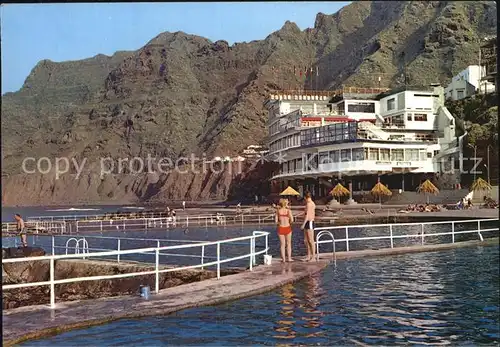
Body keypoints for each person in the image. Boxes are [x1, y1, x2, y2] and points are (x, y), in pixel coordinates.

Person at [276, 199, 294, 263]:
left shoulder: (278, 211)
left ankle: (283, 259)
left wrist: (280, 222)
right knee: (288, 244)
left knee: (282, 244)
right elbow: (292, 220)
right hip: (287, 227)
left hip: (281, 228)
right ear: (286, 204)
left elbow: (276, 221)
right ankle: (289, 258)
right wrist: (288, 221)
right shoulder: (288, 211)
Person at [301, 192, 316, 261]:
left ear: (305, 197)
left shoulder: (309, 204)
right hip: (308, 222)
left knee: (311, 240)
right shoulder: (310, 203)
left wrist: (303, 224)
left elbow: (307, 215)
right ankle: (309, 255)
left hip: (309, 222)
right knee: (306, 240)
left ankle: (313, 257)